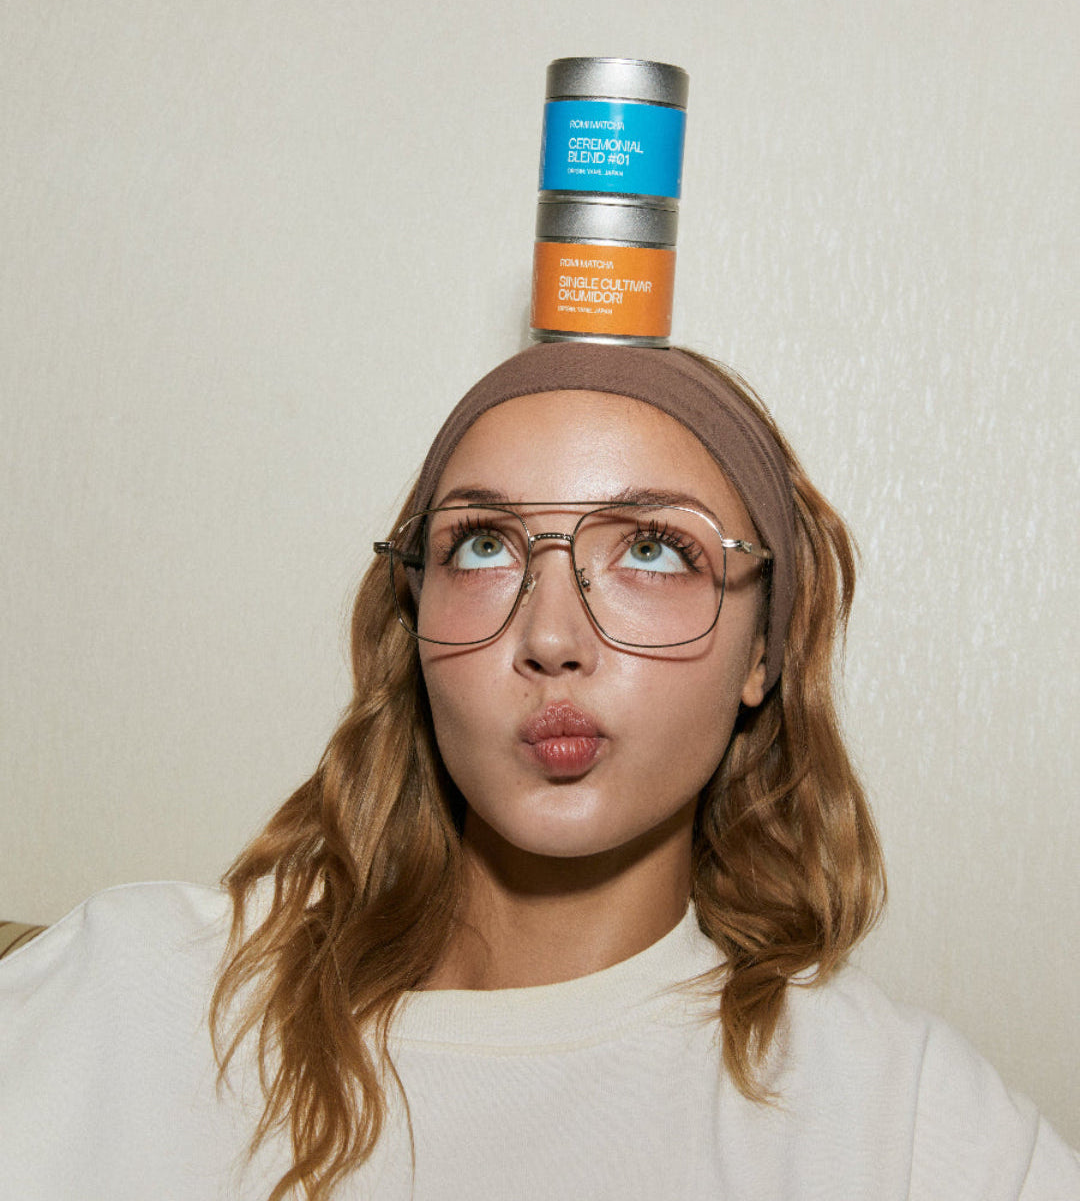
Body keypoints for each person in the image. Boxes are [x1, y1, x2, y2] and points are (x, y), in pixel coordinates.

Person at [1, 342, 1077, 1201]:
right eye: (484, 546)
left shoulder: (902, 1126)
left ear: (765, 654)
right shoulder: (127, 993)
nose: (552, 634)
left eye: (656, 547)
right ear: (413, 622)